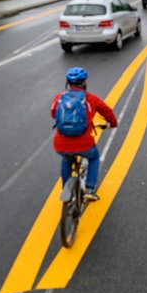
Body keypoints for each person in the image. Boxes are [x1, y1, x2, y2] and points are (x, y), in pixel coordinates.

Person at [51, 67, 118, 201]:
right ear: (84, 83)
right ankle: (90, 189)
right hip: (84, 144)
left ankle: (66, 189)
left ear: (68, 83)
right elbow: (108, 112)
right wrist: (112, 124)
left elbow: (53, 113)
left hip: (60, 144)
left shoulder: (59, 97)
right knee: (93, 158)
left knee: (66, 159)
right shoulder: (91, 98)